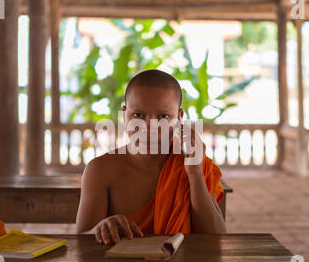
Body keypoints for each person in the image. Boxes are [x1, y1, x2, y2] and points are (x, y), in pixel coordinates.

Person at [75, 69, 226, 244]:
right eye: (138, 115)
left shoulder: (195, 165)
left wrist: (195, 175)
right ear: (124, 114)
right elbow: (80, 241)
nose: (149, 127)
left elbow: (216, 240)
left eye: (163, 117)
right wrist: (101, 228)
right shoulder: (101, 170)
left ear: (179, 118)